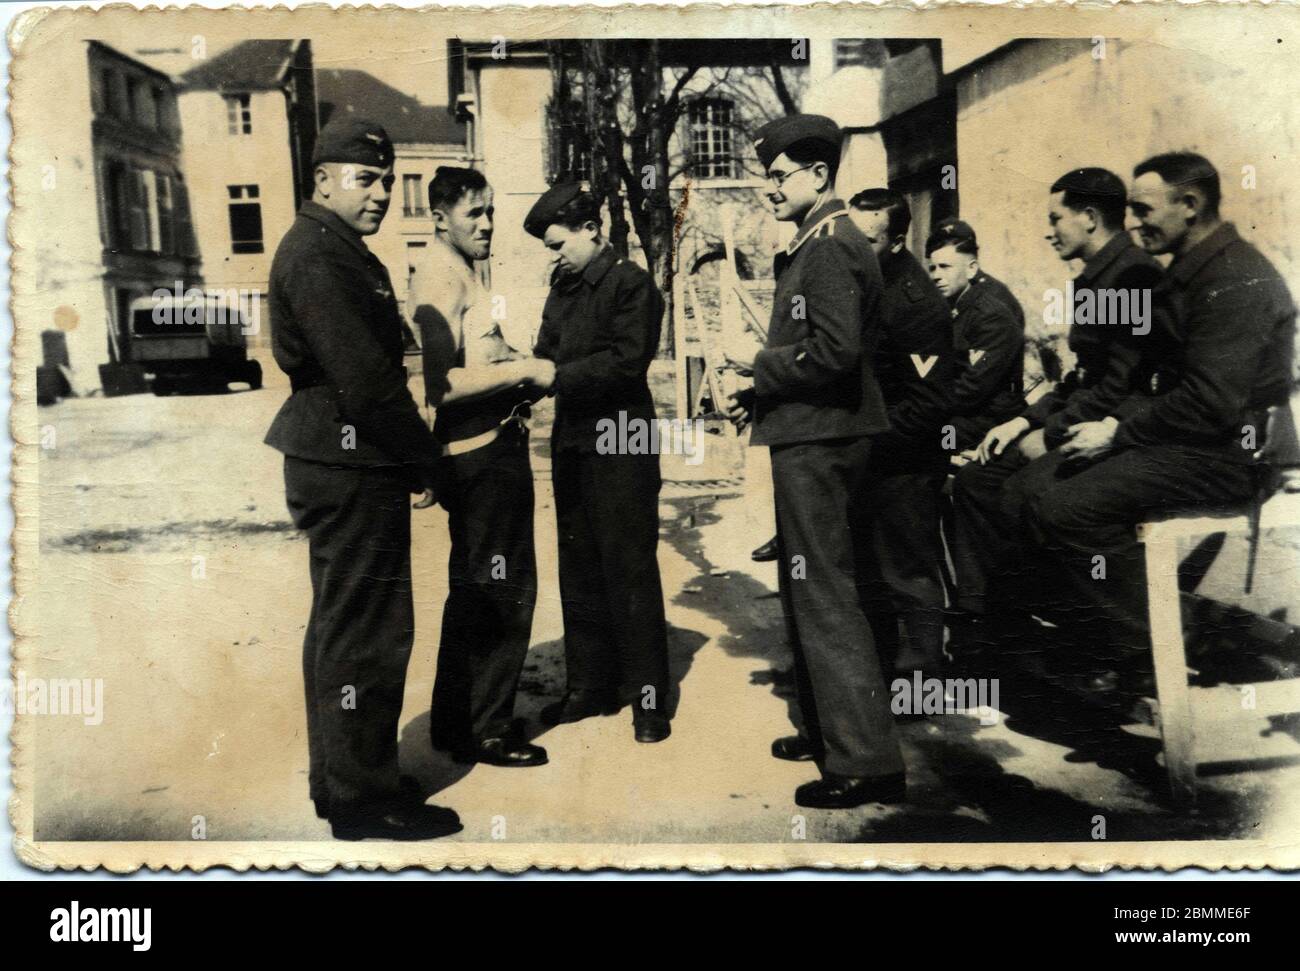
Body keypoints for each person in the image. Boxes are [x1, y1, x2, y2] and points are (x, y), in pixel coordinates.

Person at [1024, 152, 1295, 694]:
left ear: (1190, 205)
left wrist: (1117, 434)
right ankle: (1128, 640)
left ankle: (1187, 642)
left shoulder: (1234, 279)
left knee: (1067, 508)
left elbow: (1210, 401)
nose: (1132, 222)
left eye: (1143, 209)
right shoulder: (1192, 272)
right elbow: (1162, 386)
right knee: (1036, 485)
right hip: (1192, 443)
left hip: (1235, 457)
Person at [264, 118, 460, 841]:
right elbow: (369, 382)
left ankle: (343, 779)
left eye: (385, 179)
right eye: (365, 179)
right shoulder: (320, 256)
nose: (381, 193)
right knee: (368, 633)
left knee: (344, 627)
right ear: (323, 180)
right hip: (347, 458)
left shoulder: (337, 247)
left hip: (343, 456)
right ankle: (362, 797)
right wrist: (425, 458)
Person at [724, 115, 905, 809]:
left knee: (825, 593)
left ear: (819, 176)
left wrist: (757, 367)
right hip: (819, 431)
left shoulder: (828, 246)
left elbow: (834, 352)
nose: (768, 187)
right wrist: (763, 391)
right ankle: (833, 727)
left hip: (821, 440)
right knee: (816, 588)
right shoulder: (823, 239)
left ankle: (866, 760)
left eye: (778, 176)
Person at [950, 168, 1164, 638]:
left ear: (1089, 217)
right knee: (974, 481)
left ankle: (1093, 632)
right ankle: (989, 618)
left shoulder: (1132, 276)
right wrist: (1023, 421)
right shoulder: (1093, 278)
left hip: (1121, 430)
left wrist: (1047, 435)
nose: (1048, 231)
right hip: (1087, 417)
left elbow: (1119, 387)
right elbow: (1079, 378)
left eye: (1055, 218)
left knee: (1021, 494)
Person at [408, 166, 552, 768]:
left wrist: (510, 358)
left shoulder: (461, 269)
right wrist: (524, 371)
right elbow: (439, 384)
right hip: (481, 457)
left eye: (491, 211)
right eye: (475, 214)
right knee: (503, 590)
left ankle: (457, 722)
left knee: (474, 590)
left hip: (488, 450)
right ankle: (487, 729)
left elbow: (477, 355)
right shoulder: (441, 275)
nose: (489, 224)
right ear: (440, 218)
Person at [526, 183, 673, 744]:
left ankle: (649, 700)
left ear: (591, 228)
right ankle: (589, 685)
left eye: (560, 241)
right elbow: (546, 350)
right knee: (579, 563)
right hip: (572, 442)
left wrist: (557, 376)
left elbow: (627, 361)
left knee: (629, 566)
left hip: (622, 439)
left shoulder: (631, 285)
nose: (554, 253)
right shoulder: (562, 287)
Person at [847, 188, 955, 678]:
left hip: (905, 460)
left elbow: (929, 403)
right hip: (871, 452)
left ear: (895, 240)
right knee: (869, 570)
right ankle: (882, 672)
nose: (854, 247)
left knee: (908, 572)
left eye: (867, 239)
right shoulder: (862, 281)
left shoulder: (915, 302)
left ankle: (923, 679)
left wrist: (868, 440)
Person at [926, 220, 1025, 454]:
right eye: (933, 268)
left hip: (988, 417)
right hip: (960, 410)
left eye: (945, 267)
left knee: (920, 439)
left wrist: (925, 403)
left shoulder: (992, 314)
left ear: (971, 268)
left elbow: (972, 388)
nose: (936, 276)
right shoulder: (952, 302)